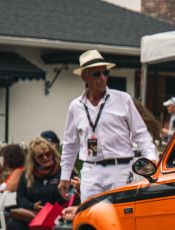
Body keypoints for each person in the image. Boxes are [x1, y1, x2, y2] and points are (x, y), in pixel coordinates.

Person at [58, 50, 157, 203]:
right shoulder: (75, 106)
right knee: (90, 217)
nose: (103, 78)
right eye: (96, 74)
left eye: (105, 73)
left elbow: (141, 134)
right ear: (85, 77)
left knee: (120, 217)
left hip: (121, 169)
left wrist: (151, 159)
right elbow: (70, 144)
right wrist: (65, 176)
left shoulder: (123, 99)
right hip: (91, 171)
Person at [0, 137, 72, 230]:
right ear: (34, 158)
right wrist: (33, 206)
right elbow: (20, 197)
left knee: (42, 229)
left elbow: (71, 196)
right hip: (32, 214)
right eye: (40, 156)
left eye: (47, 154)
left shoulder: (62, 172)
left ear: (52, 153)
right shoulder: (27, 174)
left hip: (54, 218)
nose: (45, 158)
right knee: (13, 228)